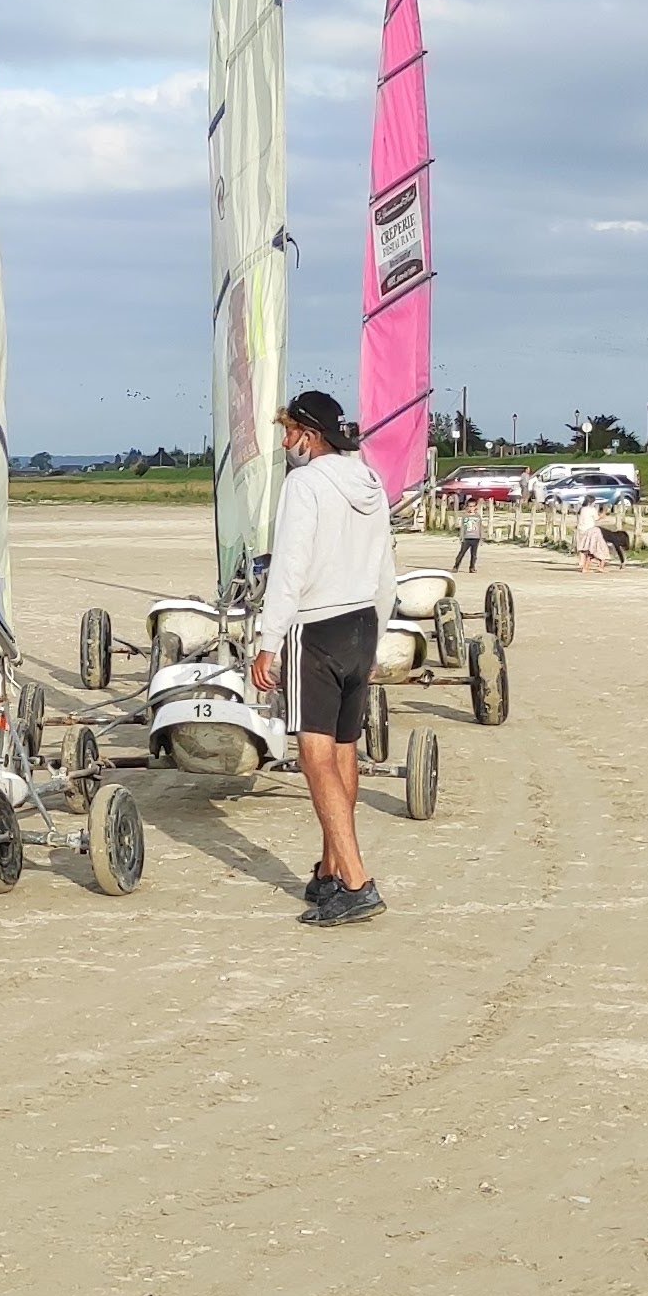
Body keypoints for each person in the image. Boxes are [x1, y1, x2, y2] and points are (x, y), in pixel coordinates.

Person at [250, 388, 395, 926]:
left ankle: (356, 881)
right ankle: (331, 871)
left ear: (309, 436)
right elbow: (385, 565)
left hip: (316, 626)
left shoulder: (304, 483)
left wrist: (267, 641)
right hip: (363, 621)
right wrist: (378, 634)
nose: (285, 442)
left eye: (289, 431)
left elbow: (290, 566)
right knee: (342, 749)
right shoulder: (371, 481)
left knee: (314, 757)